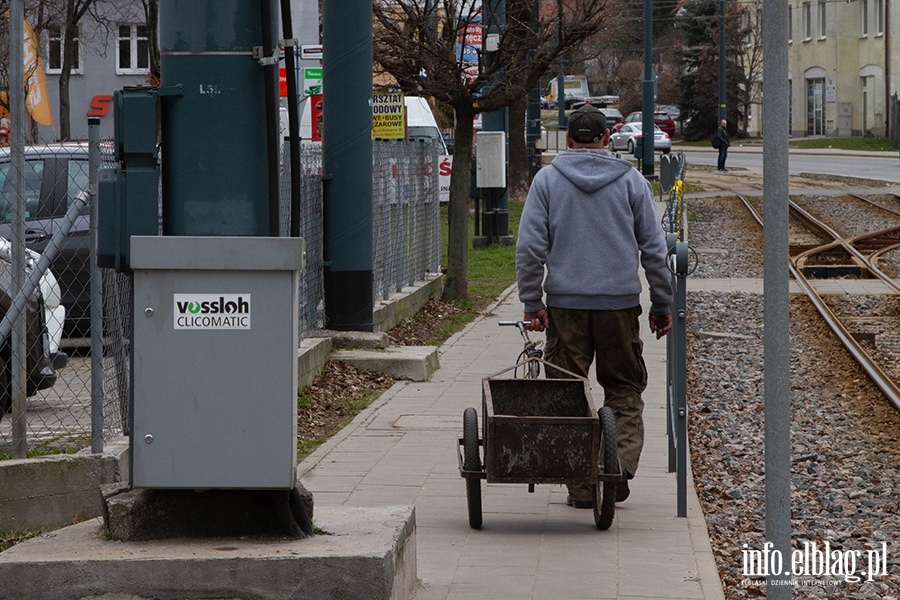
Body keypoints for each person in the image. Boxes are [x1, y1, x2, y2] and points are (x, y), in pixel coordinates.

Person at [515, 104, 673, 507]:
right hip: (619, 306)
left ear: (568, 139)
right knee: (623, 386)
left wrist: (533, 302)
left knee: (567, 393)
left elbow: (531, 247)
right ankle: (616, 468)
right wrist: (661, 303)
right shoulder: (632, 181)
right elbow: (654, 249)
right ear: (606, 139)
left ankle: (582, 485)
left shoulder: (547, 181)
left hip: (565, 306)